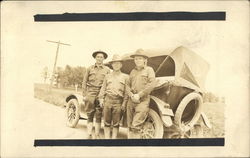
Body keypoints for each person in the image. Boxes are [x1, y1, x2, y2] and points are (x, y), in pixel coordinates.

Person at [126, 49, 156, 139]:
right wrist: (131, 95)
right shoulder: (132, 71)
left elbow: (152, 84)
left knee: (136, 125)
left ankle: (135, 147)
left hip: (142, 100)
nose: (137, 60)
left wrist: (139, 95)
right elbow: (127, 85)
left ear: (144, 60)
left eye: (139, 58)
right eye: (136, 59)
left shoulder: (149, 70)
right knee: (129, 125)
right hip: (131, 100)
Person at [98, 54, 128, 139]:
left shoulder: (125, 77)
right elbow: (103, 88)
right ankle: (107, 139)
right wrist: (101, 99)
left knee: (116, 123)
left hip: (118, 102)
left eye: (118, 63)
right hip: (107, 100)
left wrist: (124, 104)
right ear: (112, 65)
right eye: (114, 63)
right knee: (106, 122)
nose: (116, 65)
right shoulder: (107, 76)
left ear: (121, 65)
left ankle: (113, 139)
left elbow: (126, 92)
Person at [82, 51, 110, 139]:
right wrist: (84, 94)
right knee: (90, 114)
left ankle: (97, 134)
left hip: (101, 93)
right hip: (90, 92)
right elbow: (84, 82)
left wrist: (104, 95)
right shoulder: (89, 68)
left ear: (104, 59)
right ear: (95, 58)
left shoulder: (107, 70)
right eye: (98, 57)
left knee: (99, 114)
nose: (99, 58)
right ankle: (89, 134)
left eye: (101, 57)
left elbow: (108, 83)